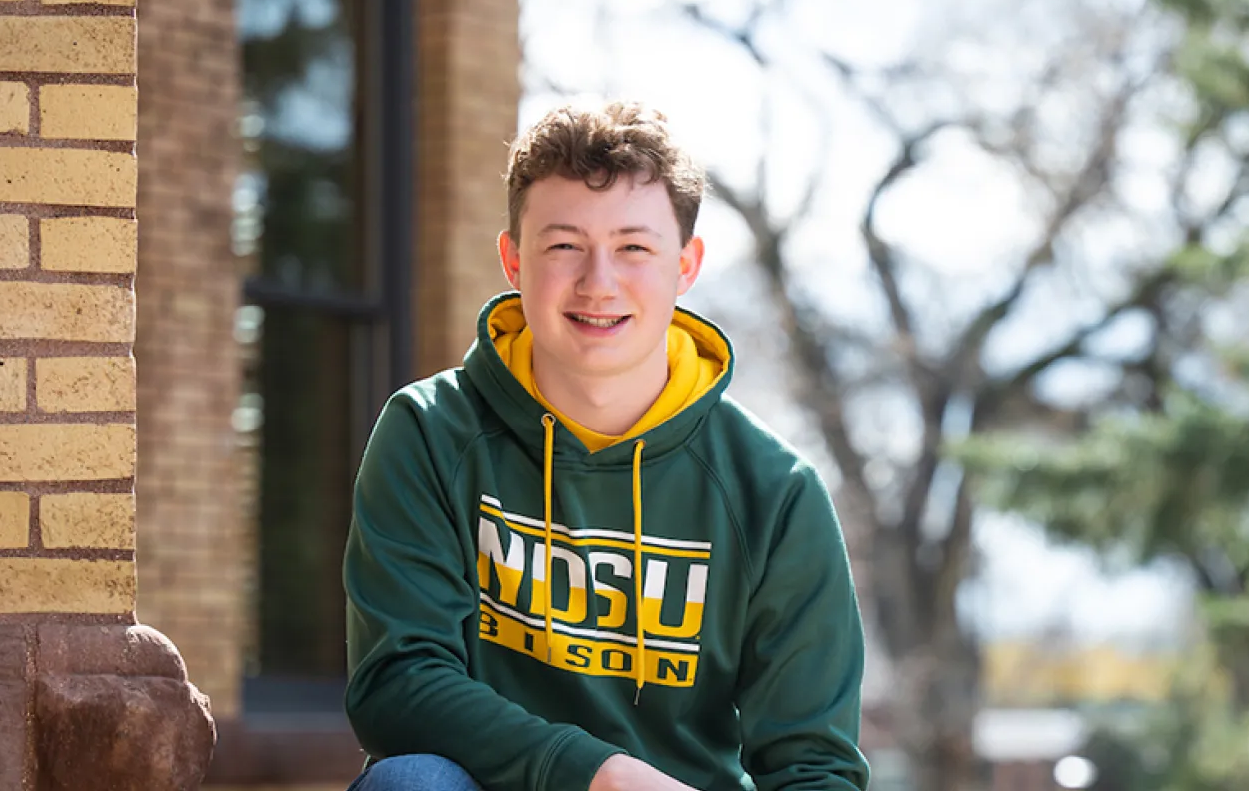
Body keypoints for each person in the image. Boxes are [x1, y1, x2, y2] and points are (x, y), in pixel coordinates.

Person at [341, 100, 869, 791]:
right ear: (513, 260)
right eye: (563, 245)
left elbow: (814, 767)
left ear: (685, 265)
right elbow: (397, 682)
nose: (599, 282)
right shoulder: (430, 433)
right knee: (410, 785)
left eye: (633, 247)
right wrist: (599, 775)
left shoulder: (774, 492)